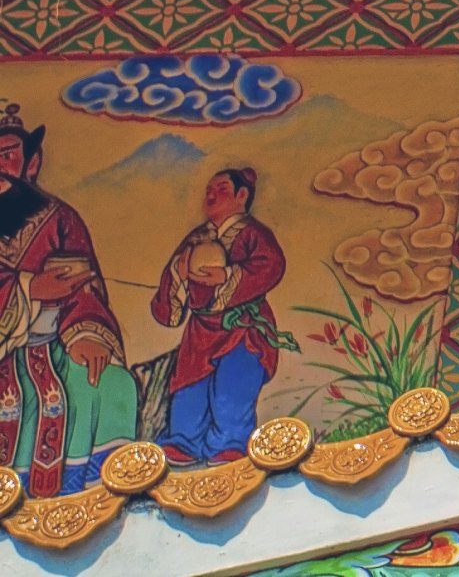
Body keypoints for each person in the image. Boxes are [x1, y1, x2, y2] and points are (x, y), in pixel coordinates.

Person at [0, 106, 125, 493]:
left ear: (31, 163)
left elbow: (85, 286)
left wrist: (87, 334)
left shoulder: (61, 219)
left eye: (6, 156)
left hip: (52, 345)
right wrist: (29, 289)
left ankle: (91, 492)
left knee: (111, 383)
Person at [150, 167, 284, 464]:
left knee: (234, 385)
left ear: (242, 196)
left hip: (242, 326)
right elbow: (172, 280)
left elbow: (270, 266)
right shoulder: (198, 238)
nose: (211, 195)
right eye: (208, 191)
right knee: (189, 384)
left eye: (221, 189)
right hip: (201, 330)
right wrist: (181, 276)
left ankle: (231, 442)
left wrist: (226, 276)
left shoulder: (253, 234)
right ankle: (184, 441)